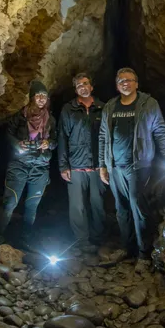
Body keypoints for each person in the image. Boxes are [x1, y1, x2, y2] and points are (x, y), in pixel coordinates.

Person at [98, 67, 165, 259]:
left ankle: (144, 251)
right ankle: (128, 247)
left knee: (137, 204)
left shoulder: (148, 104)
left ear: (137, 83)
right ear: (117, 86)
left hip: (138, 164)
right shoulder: (110, 106)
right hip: (115, 166)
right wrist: (103, 165)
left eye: (129, 80)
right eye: (121, 80)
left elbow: (159, 130)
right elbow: (102, 136)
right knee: (121, 207)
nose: (125, 83)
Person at [0, 81, 55, 245]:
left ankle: (25, 237)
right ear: (32, 97)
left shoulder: (50, 119)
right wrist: (18, 144)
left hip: (40, 166)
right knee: (10, 202)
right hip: (19, 164)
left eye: (44, 96)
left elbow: (56, 140)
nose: (41, 99)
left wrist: (49, 144)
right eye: (38, 95)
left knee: (32, 204)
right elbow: (8, 134)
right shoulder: (20, 116)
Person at [57, 72, 105, 251]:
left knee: (97, 204)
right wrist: (63, 166)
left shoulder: (102, 107)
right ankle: (82, 240)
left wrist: (106, 164)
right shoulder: (68, 109)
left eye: (85, 83)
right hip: (76, 165)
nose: (83, 87)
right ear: (75, 89)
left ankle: (98, 237)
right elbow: (62, 137)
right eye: (79, 85)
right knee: (77, 206)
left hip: (97, 165)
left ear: (91, 86)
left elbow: (108, 138)